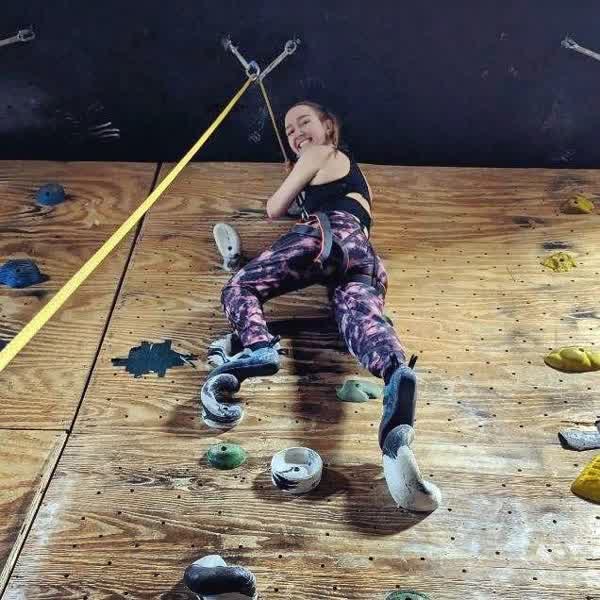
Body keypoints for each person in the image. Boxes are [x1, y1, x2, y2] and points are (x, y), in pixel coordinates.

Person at [209, 101, 440, 510]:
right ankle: (395, 376)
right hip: (363, 256)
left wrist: (294, 179)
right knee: (362, 323)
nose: (296, 134)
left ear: (329, 126)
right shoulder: (353, 176)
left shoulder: (320, 152)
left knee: (239, 289)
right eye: (289, 131)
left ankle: (259, 348)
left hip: (324, 234)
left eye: (305, 123)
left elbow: (274, 207)